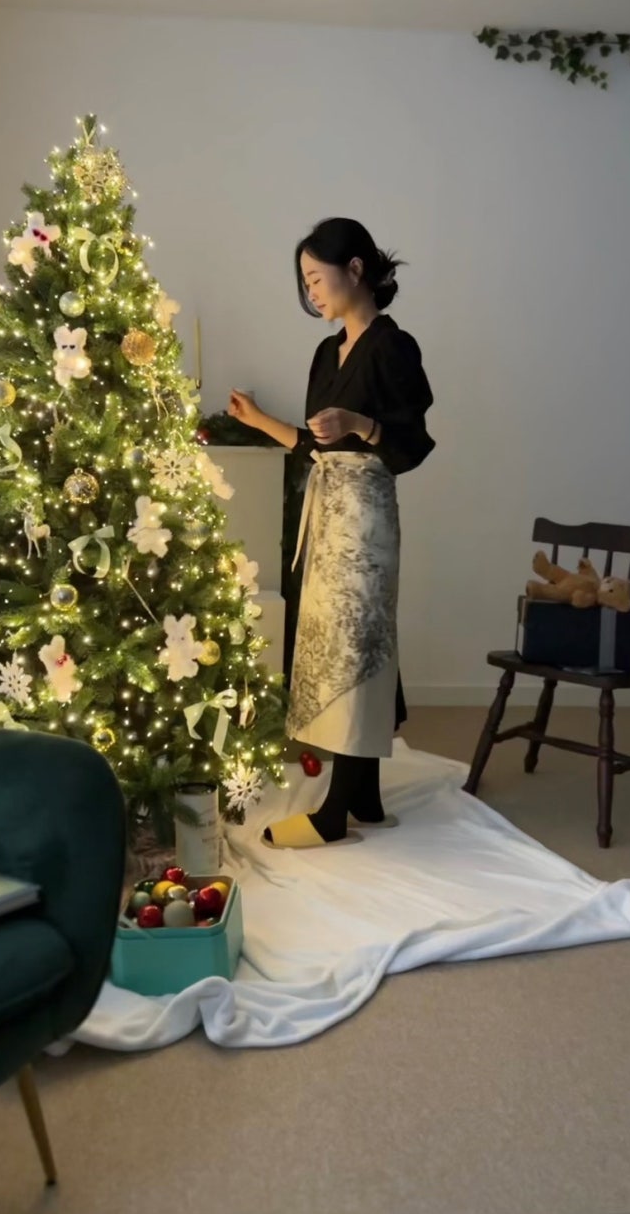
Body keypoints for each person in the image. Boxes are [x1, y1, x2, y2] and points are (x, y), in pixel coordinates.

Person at [229, 217, 434, 848]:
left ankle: (335, 813)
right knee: (332, 639)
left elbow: (411, 445)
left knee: (355, 643)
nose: (311, 292)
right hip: (325, 511)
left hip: (366, 516)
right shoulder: (326, 353)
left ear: (356, 270)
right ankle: (365, 796)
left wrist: (362, 424)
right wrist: (259, 421)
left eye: (317, 278)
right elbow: (314, 446)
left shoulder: (393, 347)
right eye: (305, 282)